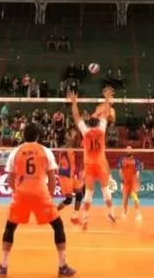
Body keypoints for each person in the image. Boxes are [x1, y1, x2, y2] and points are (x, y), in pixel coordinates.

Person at [0, 123, 75, 278]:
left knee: (10, 227)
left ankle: (3, 267)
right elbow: (52, 178)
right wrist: (49, 197)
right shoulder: (46, 151)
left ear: (24, 136)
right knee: (58, 226)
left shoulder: (15, 152)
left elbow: (10, 179)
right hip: (40, 193)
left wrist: (17, 191)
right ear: (38, 136)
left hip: (21, 193)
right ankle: (62, 267)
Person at [68, 89, 116, 230]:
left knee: (88, 193)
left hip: (89, 165)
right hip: (100, 165)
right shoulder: (101, 130)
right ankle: (111, 213)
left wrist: (74, 102)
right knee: (105, 190)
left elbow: (76, 117)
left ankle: (86, 217)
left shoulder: (85, 131)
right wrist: (107, 99)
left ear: (89, 124)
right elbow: (107, 114)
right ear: (98, 123)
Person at [55, 144, 84, 223]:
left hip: (72, 175)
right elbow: (62, 163)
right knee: (69, 199)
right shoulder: (65, 150)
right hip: (64, 175)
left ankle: (74, 216)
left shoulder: (75, 150)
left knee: (79, 194)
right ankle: (53, 213)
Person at [117, 146, 143, 222]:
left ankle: (138, 214)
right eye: (127, 148)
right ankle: (125, 212)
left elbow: (138, 171)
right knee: (125, 199)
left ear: (132, 151)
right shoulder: (121, 160)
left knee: (134, 197)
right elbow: (119, 169)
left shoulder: (136, 161)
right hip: (126, 182)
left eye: (130, 148)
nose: (128, 149)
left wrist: (137, 180)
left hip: (133, 181)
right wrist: (122, 178)